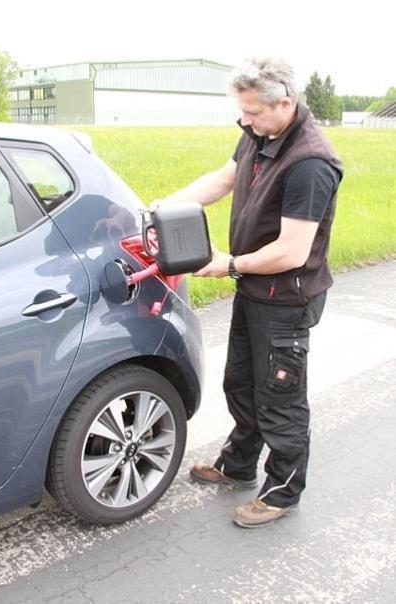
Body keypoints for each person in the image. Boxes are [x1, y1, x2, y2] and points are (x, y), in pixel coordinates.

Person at [154, 57, 343, 528]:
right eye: (242, 112)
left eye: (253, 113)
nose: (245, 121)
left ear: (285, 102)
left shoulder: (310, 163)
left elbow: (292, 251)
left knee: (279, 397)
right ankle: (237, 466)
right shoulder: (260, 133)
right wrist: (159, 207)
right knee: (241, 382)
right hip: (256, 289)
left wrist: (229, 265)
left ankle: (282, 493)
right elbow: (224, 179)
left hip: (287, 297)